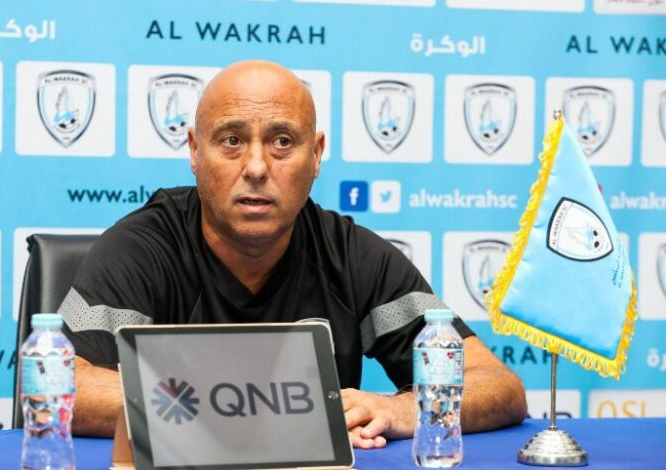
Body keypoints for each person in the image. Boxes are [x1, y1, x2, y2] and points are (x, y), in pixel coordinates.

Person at [58, 60, 527, 448]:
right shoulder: (144, 247)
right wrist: (265, 413)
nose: (257, 167)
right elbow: (61, 386)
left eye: (282, 142)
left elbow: (498, 385)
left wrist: (403, 407)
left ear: (316, 154)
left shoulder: (351, 255)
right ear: (195, 152)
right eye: (231, 140)